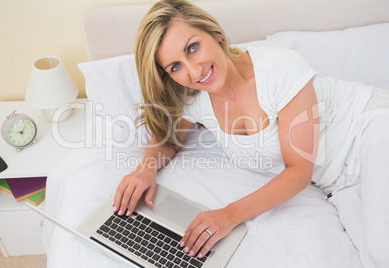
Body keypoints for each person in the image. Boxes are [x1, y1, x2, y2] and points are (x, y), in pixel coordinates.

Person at [113, 0, 389, 266]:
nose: (194, 71)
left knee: (382, 248)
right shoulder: (194, 98)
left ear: (215, 34)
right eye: (175, 66)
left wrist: (230, 215)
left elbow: (299, 171)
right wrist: (145, 169)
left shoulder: (279, 69)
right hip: (337, 184)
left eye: (193, 47)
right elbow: (169, 140)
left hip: (370, 129)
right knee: (376, 258)